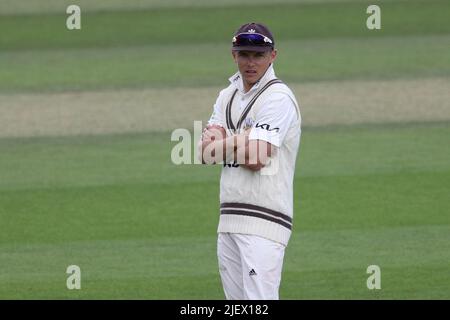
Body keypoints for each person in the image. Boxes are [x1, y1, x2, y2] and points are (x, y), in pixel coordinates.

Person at [198, 22, 301, 300]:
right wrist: (239, 139)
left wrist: (223, 143)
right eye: (244, 54)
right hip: (229, 218)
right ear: (234, 55)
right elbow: (203, 153)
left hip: (264, 221)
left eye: (258, 55)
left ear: (273, 56)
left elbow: (257, 158)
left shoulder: (278, 98)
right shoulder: (226, 96)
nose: (250, 62)